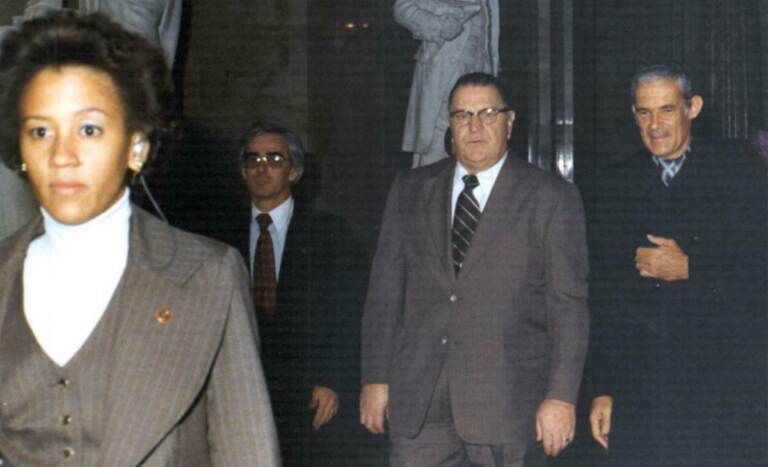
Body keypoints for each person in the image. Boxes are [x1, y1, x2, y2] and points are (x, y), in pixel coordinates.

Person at [0, 11, 279, 465]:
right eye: (41, 131)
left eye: (89, 129)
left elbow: (248, 449)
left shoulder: (208, 274)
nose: (62, 155)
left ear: (136, 146)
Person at [360, 72, 589, 467]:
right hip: (419, 403)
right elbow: (383, 295)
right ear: (450, 124)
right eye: (463, 115)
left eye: (488, 113)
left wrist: (561, 396)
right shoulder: (410, 190)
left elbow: (568, 307)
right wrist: (375, 378)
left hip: (508, 404)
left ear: (510, 122)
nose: (475, 126)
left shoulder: (551, 198)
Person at [587, 64, 768, 466]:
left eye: (667, 110)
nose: (655, 125)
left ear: (694, 107)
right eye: (644, 112)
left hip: (724, 392)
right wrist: (603, 389)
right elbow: (604, 299)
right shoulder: (614, 184)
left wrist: (693, 269)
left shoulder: (741, 172)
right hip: (643, 396)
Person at [230, 121, 368, 466]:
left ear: (294, 171)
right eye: (253, 160)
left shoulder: (329, 233)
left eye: (275, 159)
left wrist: (331, 380)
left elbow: (349, 315)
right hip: (237, 386)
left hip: (306, 393)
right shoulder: (218, 232)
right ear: (242, 171)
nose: (262, 168)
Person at [394, 0, 500, 168]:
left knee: (475, 151)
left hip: (479, 83)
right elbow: (402, 8)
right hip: (441, 79)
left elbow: (490, 38)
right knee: (434, 153)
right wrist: (438, 26)